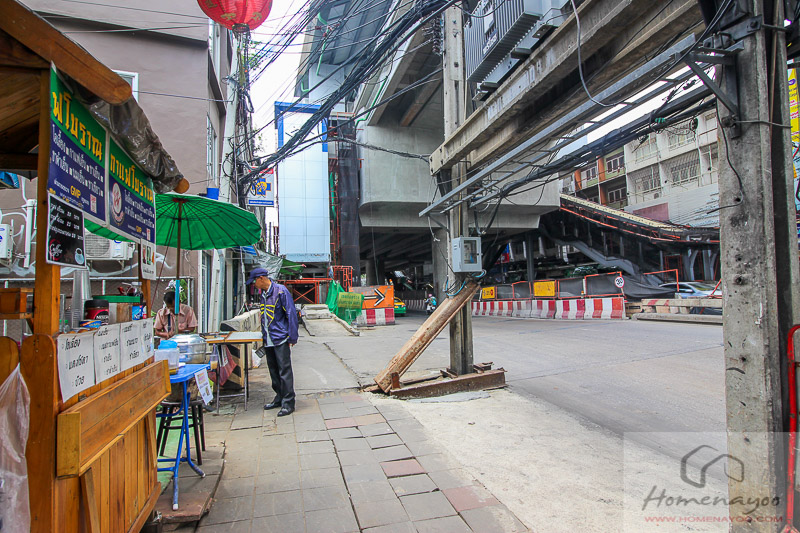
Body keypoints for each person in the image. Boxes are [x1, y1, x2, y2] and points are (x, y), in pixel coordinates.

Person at [247, 267, 299, 417]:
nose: (254, 285)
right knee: (274, 371)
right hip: (268, 338)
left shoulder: (280, 291)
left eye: (254, 282)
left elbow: (291, 313)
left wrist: (292, 336)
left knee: (284, 371)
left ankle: (288, 402)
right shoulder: (263, 294)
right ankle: (279, 397)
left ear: (261, 278)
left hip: (280, 338)